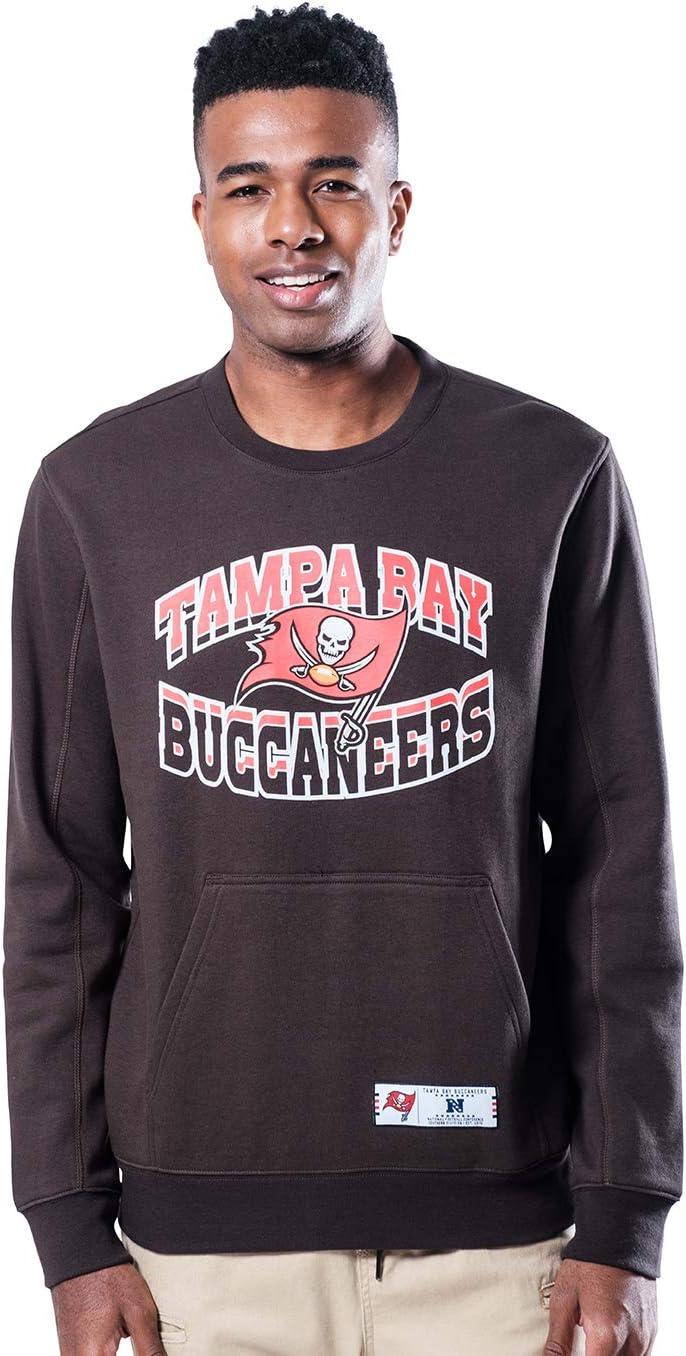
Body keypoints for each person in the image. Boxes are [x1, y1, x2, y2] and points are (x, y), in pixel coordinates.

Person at [3, 3, 682, 1353]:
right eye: (248, 187)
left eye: (334, 183)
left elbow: (622, 864)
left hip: (503, 1240)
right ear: (200, 216)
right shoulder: (97, 494)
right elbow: (56, 878)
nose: (292, 228)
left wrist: (624, 1214)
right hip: (192, 1250)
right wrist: (69, 1225)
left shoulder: (549, 475)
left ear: (397, 209)